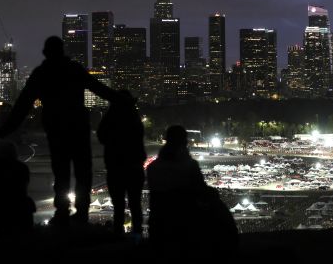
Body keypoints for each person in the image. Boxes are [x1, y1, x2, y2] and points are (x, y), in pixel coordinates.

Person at [0, 36, 120, 226]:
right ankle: (81, 213)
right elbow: (101, 90)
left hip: (57, 130)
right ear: (63, 51)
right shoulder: (74, 69)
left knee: (61, 172)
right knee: (83, 172)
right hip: (78, 128)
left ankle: (62, 211)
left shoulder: (42, 73)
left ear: (46, 53)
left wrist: (4, 130)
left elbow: (22, 106)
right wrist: (123, 100)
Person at [147, 125, 238, 261]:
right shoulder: (189, 165)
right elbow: (201, 191)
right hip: (185, 216)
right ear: (184, 143)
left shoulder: (153, 168)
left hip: (158, 219)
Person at [97, 90, 146, 236]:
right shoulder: (134, 118)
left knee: (118, 206)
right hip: (134, 167)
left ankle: (118, 236)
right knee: (135, 205)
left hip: (115, 167)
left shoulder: (111, 118)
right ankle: (137, 238)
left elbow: (101, 136)